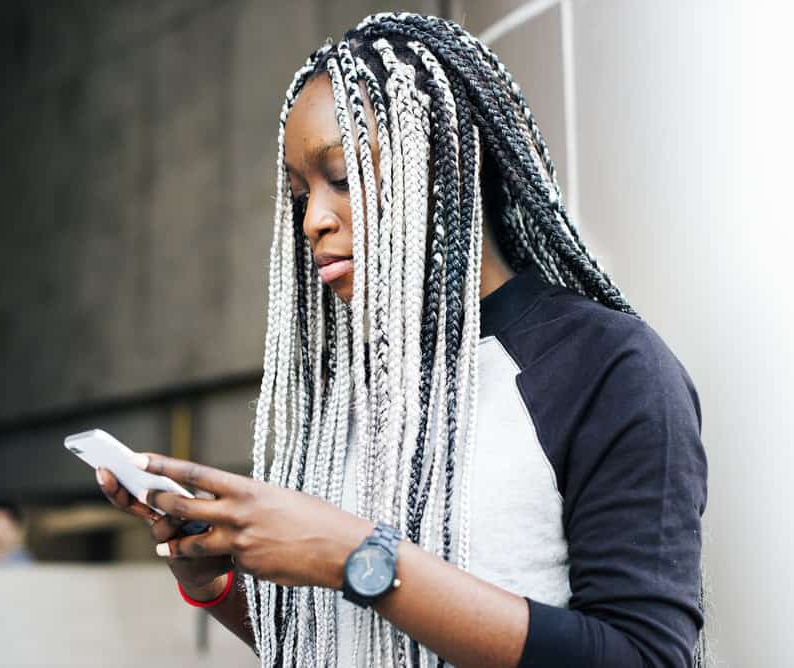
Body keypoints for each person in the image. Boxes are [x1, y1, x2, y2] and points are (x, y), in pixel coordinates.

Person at [97, 13, 708, 667]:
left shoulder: (608, 365)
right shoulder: (355, 388)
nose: (312, 220)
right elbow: (334, 644)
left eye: (341, 176)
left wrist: (358, 556)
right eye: (299, 193)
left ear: (443, 162)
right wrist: (214, 582)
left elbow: (647, 656)